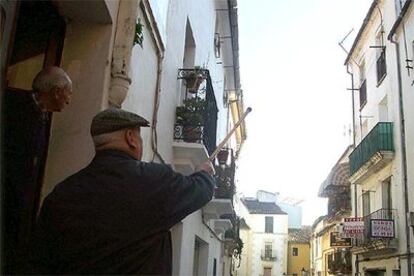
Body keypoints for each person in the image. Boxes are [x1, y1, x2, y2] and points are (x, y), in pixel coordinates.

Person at [29, 108, 216, 275]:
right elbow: (200, 191)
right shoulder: (153, 181)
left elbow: (39, 262)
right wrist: (204, 173)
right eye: (140, 137)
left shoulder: (60, 195)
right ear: (130, 138)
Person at [3, 66, 72, 273]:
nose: (70, 99)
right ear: (57, 91)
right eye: (69, 92)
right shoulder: (13, 106)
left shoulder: (41, 115)